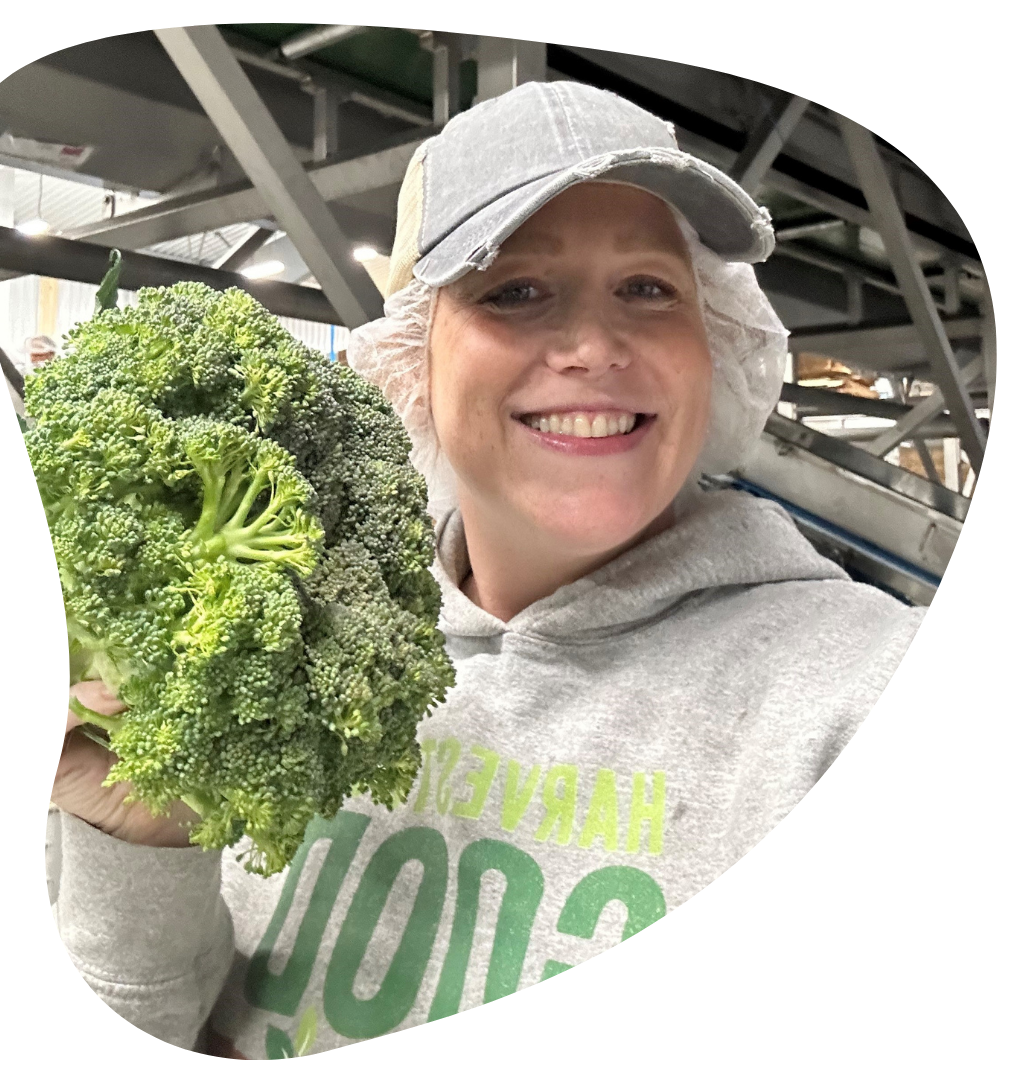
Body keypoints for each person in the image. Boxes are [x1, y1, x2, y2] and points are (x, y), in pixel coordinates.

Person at [47, 81, 926, 1057]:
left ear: (716, 343)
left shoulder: (853, 692)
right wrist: (141, 846)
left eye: (648, 288)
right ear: (414, 357)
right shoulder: (276, 643)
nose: (595, 348)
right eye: (514, 289)